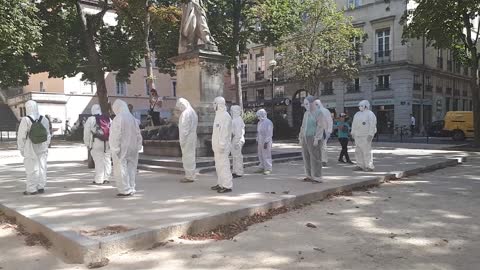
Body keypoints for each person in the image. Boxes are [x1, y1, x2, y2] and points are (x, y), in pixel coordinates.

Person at [110, 99, 143, 197]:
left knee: (121, 168)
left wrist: (115, 148)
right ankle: (131, 187)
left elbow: (116, 135)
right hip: (133, 148)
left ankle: (124, 189)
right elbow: (138, 134)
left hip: (122, 147)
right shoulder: (133, 118)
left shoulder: (118, 118)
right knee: (131, 168)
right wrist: (139, 145)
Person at [17, 100, 51, 195]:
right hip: (42, 145)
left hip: (30, 145)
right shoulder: (44, 119)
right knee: (42, 166)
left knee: (31, 167)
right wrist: (46, 144)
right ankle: (41, 187)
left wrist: (22, 149)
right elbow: (48, 134)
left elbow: (21, 136)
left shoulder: (26, 120)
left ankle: (31, 189)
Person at [299, 96, 327, 183]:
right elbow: (303, 126)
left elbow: (320, 126)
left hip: (314, 138)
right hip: (305, 137)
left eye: (307, 103)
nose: (306, 105)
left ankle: (317, 176)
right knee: (306, 156)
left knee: (315, 157)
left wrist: (317, 138)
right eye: (305, 104)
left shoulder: (319, 113)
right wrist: (300, 136)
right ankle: (309, 175)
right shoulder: (306, 114)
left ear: (312, 103)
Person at [83, 104, 112, 185]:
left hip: (96, 142)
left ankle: (99, 179)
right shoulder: (108, 119)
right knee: (107, 160)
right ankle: (107, 178)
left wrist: (87, 144)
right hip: (107, 142)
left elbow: (86, 133)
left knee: (98, 160)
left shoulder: (91, 119)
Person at [210, 97, 233, 193]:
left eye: (214, 103)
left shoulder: (225, 116)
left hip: (222, 146)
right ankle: (220, 183)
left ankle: (227, 185)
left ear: (219, 104)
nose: (213, 105)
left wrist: (222, 144)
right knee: (218, 165)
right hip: (217, 146)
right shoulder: (218, 115)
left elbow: (224, 133)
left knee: (224, 165)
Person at [176, 98, 198, 183]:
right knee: (191, 156)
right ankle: (191, 174)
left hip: (187, 138)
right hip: (192, 136)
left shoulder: (185, 114)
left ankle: (189, 176)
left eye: (180, 106)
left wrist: (182, 141)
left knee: (187, 157)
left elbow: (184, 130)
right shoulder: (193, 112)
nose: (180, 109)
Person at [351, 100, 377, 172]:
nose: (360, 107)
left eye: (361, 106)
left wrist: (371, 134)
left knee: (366, 151)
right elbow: (354, 124)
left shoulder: (370, 114)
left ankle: (369, 166)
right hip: (357, 135)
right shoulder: (357, 114)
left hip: (366, 135)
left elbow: (372, 125)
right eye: (359, 106)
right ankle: (360, 165)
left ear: (366, 106)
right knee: (358, 151)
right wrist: (353, 132)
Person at [314, 99, 333, 166]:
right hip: (315, 132)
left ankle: (324, 160)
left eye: (316, 104)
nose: (315, 106)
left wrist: (329, 131)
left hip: (323, 131)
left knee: (323, 146)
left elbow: (329, 121)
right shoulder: (313, 112)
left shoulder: (325, 111)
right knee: (315, 147)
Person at [255, 109, 274, 175]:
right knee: (260, 154)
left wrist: (266, 142)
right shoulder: (259, 122)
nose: (258, 117)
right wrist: (257, 140)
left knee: (266, 155)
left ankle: (268, 168)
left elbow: (269, 133)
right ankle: (262, 167)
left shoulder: (268, 122)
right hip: (260, 140)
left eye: (259, 116)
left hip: (266, 141)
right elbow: (258, 132)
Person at [230, 105, 245, 178]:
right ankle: (235, 171)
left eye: (232, 111)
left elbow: (239, 132)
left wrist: (237, 142)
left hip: (237, 140)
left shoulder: (237, 120)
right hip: (236, 139)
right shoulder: (237, 119)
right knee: (235, 156)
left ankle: (239, 172)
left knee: (237, 156)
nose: (231, 113)